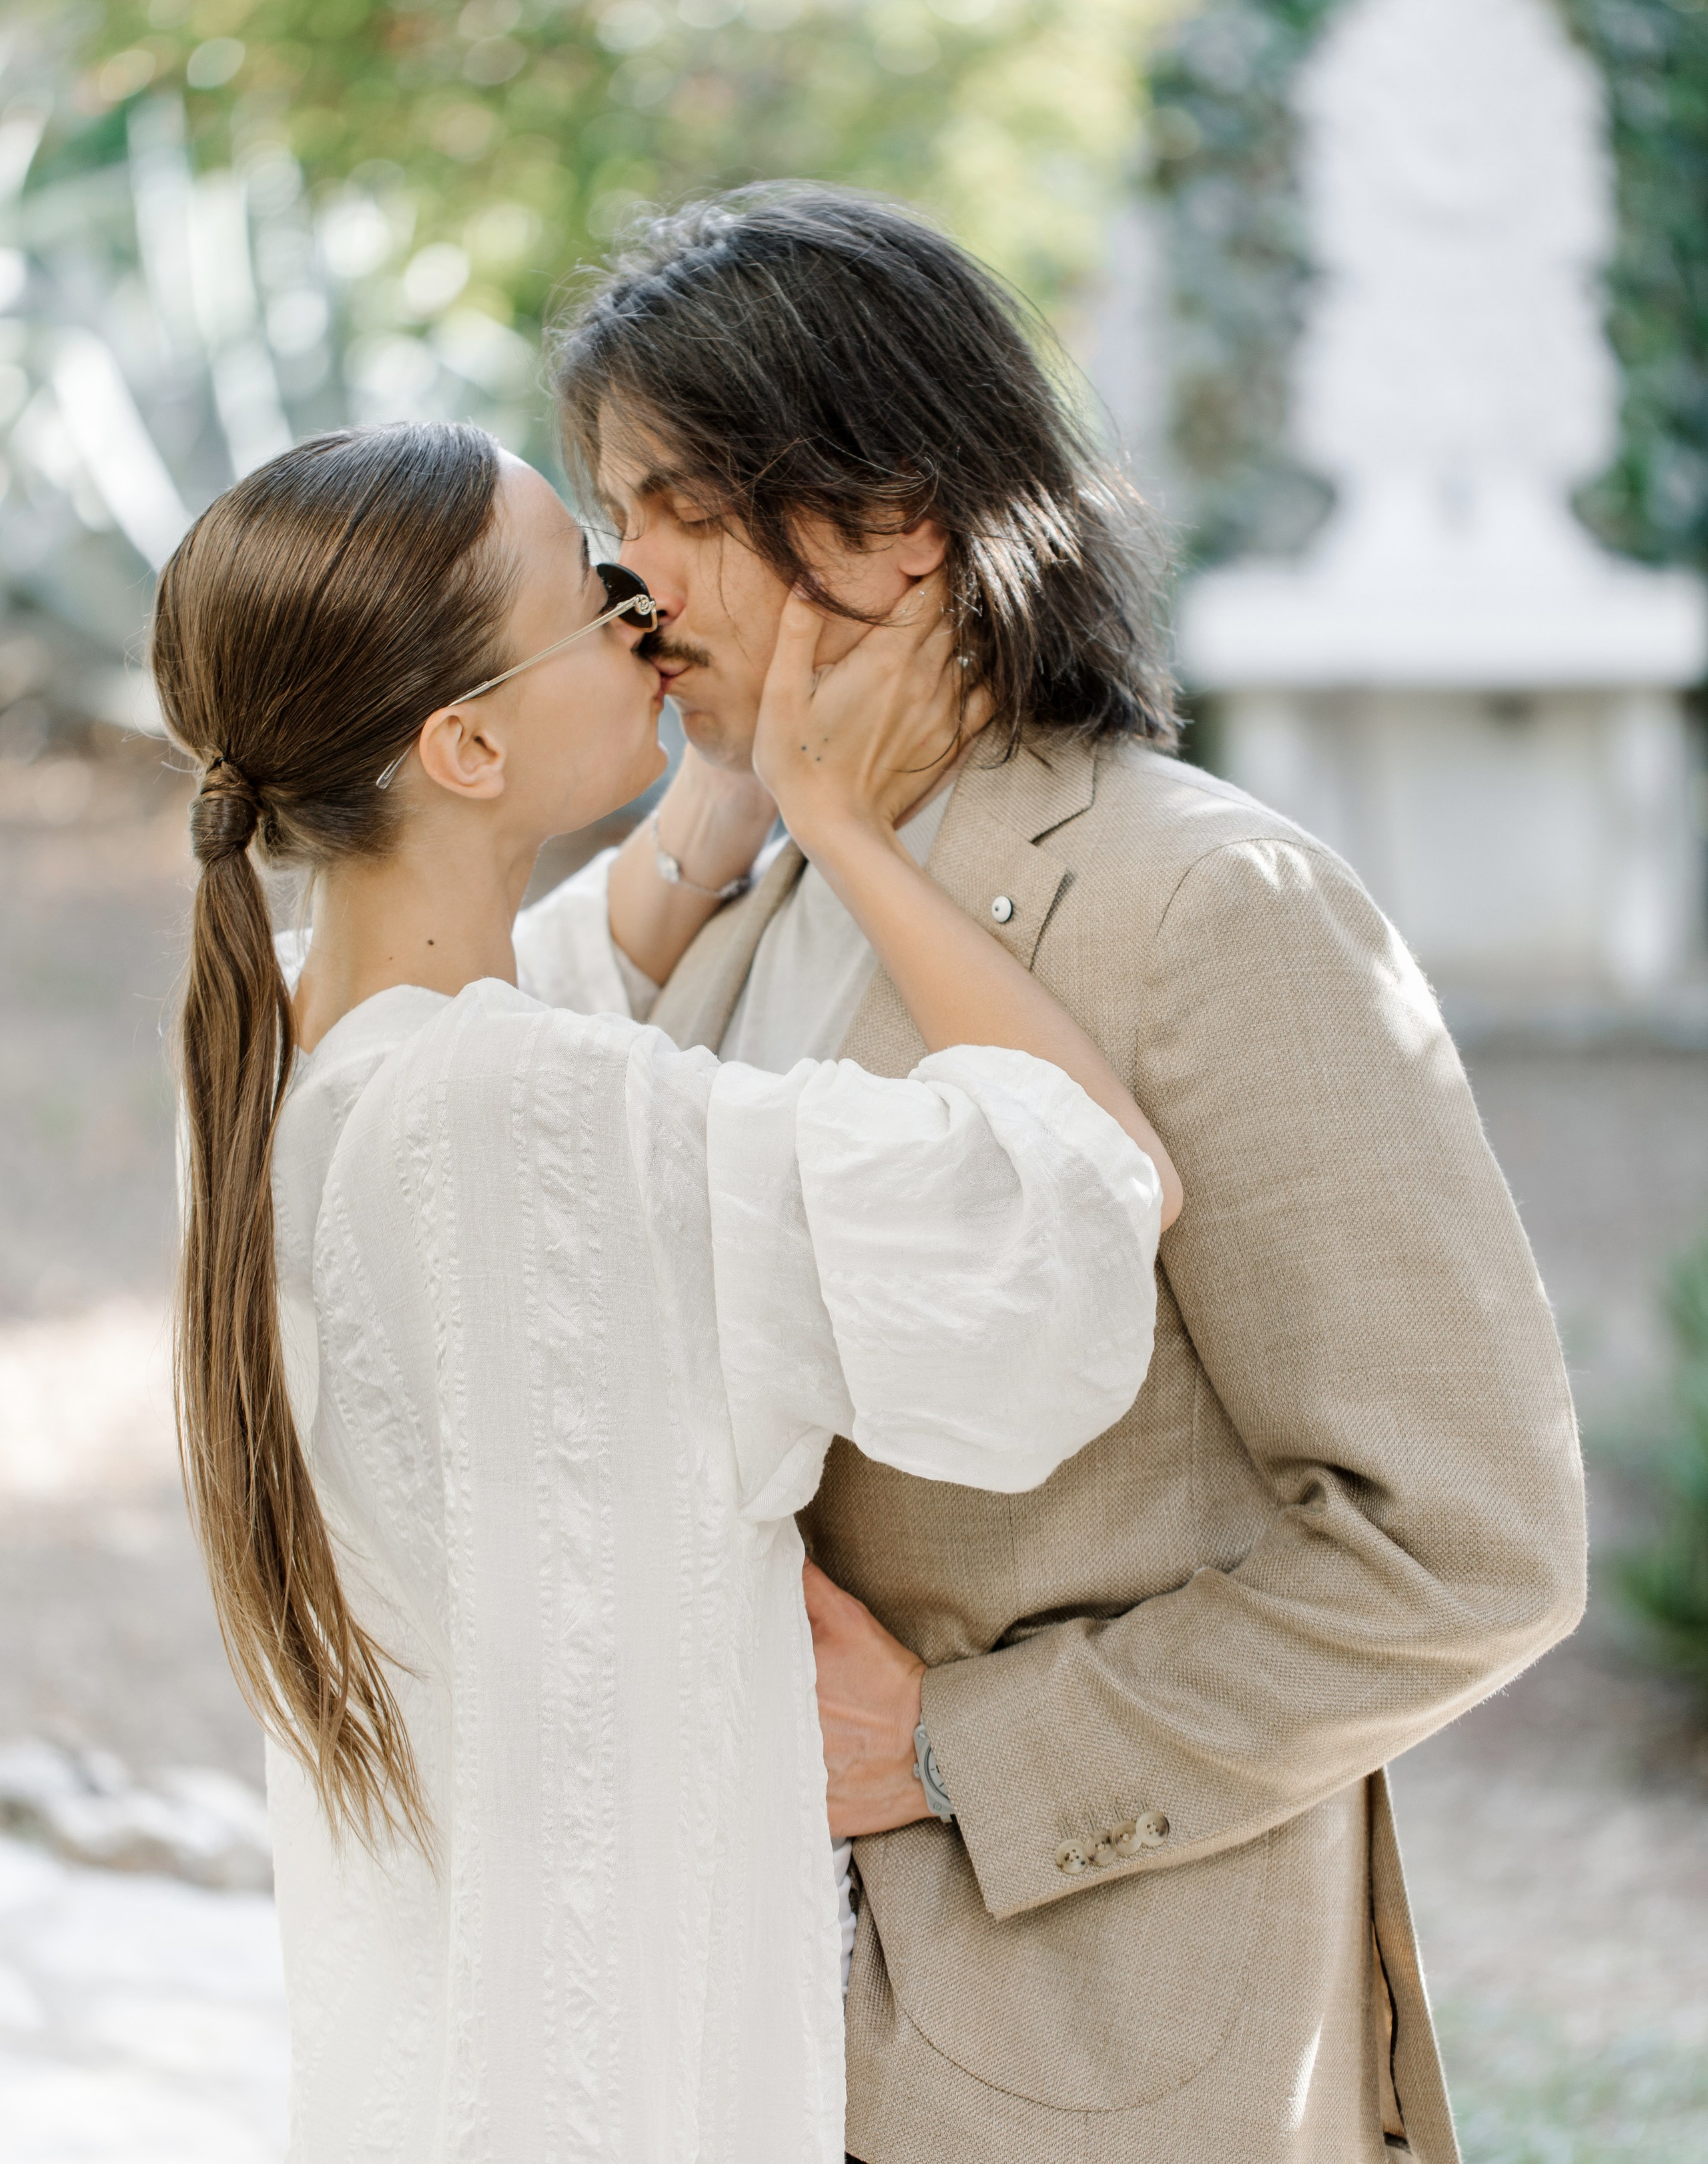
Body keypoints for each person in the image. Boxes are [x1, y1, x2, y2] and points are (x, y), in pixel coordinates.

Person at [547, 184, 1589, 2164]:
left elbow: (1472, 1543)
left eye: (687, 506)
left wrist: (952, 1749)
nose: (629, 577)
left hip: (1088, 2049)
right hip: (755, 2022)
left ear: (897, 520)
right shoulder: (770, 896)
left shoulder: (1205, 903)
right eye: (617, 508)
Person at [150, 418, 1184, 2164]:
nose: (644, 613)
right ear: (466, 741)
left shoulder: (277, 1063)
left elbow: (547, 1000)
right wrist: (850, 831)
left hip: (440, 2037)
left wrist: (726, 797)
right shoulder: (530, 1118)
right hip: (620, 2061)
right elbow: (1084, 1190)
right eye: (592, 588)